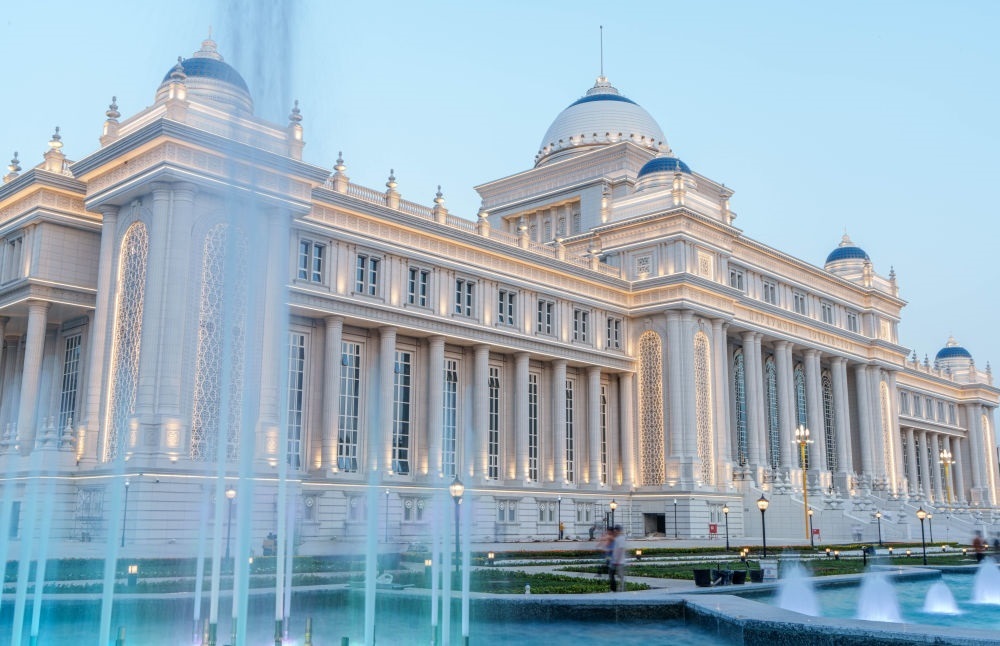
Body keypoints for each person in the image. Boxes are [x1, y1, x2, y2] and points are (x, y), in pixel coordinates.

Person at [609, 525, 627, 592]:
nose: (614, 532)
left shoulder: (621, 538)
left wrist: (618, 560)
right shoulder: (617, 538)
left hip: (619, 561)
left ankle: (622, 588)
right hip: (615, 561)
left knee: (620, 575)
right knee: (612, 574)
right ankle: (615, 588)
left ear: (618, 531)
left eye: (615, 531)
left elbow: (621, 550)